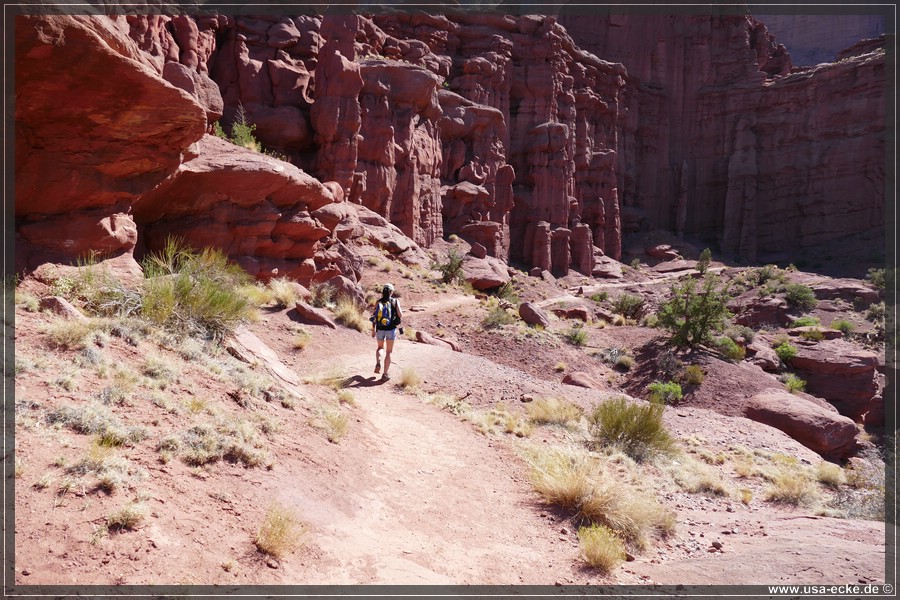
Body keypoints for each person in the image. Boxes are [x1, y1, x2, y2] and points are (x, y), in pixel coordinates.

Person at [372, 283, 402, 381]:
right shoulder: (395, 301)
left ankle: (378, 362)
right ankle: (385, 374)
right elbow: (400, 315)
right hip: (391, 329)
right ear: (391, 292)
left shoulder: (378, 302)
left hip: (380, 328)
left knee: (380, 347)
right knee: (389, 352)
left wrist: (373, 330)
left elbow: (374, 317)